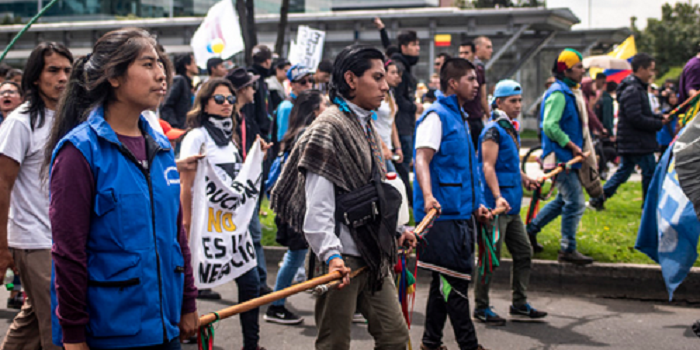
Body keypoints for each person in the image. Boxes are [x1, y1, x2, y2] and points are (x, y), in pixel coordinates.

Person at [45, 28, 198, 349]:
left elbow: (176, 235)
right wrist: (72, 336)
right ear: (113, 77)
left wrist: (188, 303)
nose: (161, 75)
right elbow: (68, 254)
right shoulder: (80, 152)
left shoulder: (161, 148)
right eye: (147, 64)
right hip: (111, 331)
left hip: (166, 325)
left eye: (160, 64)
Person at [271, 45, 415, 350]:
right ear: (351, 79)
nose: (385, 86)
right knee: (333, 344)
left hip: (373, 253)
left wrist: (398, 231)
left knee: (395, 338)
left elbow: (373, 191)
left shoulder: (365, 124)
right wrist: (332, 256)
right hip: (340, 261)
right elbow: (319, 204)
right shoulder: (328, 128)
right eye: (376, 78)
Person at [179, 77, 271, 350]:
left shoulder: (229, 139)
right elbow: (186, 182)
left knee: (251, 284)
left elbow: (235, 181)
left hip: (230, 229)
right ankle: (183, 332)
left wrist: (257, 159)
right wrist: (186, 221)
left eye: (230, 99)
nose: (226, 104)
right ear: (205, 102)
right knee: (189, 286)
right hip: (203, 227)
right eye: (219, 99)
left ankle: (251, 345)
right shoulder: (196, 136)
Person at [413, 57, 491, 350]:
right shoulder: (436, 116)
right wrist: (428, 195)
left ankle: (431, 342)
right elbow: (422, 158)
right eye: (471, 79)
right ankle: (469, 345)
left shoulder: (460, 116)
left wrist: (477, 204)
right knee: (455, 285)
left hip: (461, 212)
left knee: (444, 281)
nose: (476, 85)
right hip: (442, 216)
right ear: (453, 83)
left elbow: (466, 169)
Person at [0, 42, 72, 350]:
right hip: (34, 240)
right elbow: (2, 185)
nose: (63, 78)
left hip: (66, 239)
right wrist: (2, 247)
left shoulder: (75, 117)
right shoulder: (20, 121)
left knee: (32, 321)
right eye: (53, 70)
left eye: (68, 70)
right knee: (59, 329)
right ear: (34, 78)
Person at [474, 79, 547, 326]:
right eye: (513, 101)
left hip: (512, 207)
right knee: (489, 258)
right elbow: (487, 166)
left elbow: (510, 164)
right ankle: (481, 307)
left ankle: (519, 303)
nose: (518, 105)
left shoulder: (509, 128)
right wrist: (497, 197)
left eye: (519, 100)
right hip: (496, 209)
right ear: (499, 102)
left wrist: (525, 179)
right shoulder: (492, 130)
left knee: (524, 253)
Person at [526, 48, 593, 265]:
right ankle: (567, 249)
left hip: (563, 157)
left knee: (563, 200)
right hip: (560, 158)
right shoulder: (558, 93)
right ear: (566, 70)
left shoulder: (566, 91)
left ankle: (530, 231)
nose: (583, 71)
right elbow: (550, 126)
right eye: (579, 67)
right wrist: (572, 145)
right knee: (575, 202)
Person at [264, 89, 326, 325]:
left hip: (295, 208)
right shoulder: (306, 135)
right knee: (295, 256)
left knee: (303, 256)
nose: (328, 109)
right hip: (298, 209)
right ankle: (276, 306)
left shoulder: (296, 133)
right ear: (314, 111)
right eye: (324, 104)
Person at [588, 53, 668, 211]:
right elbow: (636, 118)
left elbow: (640, 113)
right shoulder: (633, 89)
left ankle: (598, 199)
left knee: (624, 172)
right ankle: (649, 206)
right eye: (650, 70)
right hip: (636, 141)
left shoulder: (636, 87)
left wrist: (658, 117)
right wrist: (657, 123)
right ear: (640, 69)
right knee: (650, 172)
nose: (652, 74)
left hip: (632, 140)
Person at [227, 67, 273, 295]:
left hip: (250, 183)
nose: (255, 90)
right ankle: (256, 283)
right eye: (251, 85)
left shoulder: (245, 115)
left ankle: (257, 281)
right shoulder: (229, 118)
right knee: (250, 234)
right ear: (242, 90)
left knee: (252, 234)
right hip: (238, 186)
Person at [392, 29, 421, 207]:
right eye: (414, 45)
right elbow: (399, 99)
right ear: (404, 47)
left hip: (406, 125)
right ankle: (408, 202)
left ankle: (407, 201)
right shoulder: (400, 67)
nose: (417, 48)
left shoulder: (405, 65)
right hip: (402, 126)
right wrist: (414, 106)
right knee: (402, 167)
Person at [463, 36, 492, 150]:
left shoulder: (475, 68)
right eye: (488, 47)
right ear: (477, 48)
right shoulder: (478, 68)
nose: (490, 50)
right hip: (472, 118)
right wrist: (490, 117)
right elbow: (482, 96)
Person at [375, 59, 403, 174]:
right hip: (378, 148)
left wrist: (398, 147)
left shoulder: (390, 94)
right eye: (392, 72)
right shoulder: (376, 94)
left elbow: (392, 124)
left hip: (388, 148)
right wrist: (383, 147)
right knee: (396, 184)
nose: (396, 76)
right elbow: (369, 122)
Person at [242, 44, 273, 142]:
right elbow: (251, 111)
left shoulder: (261, 79)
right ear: (268, 61)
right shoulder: (254, 80)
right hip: (257, 134)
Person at [275, 64, 313, 143]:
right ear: (292, 85)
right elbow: (282, 139)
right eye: (303, 82)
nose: (308, 84)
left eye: (310, 80)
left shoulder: (310, 103)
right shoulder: (287, 106)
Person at [161, 52, 198, 129]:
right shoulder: (179, 80)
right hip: (179, 129)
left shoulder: (188, 83)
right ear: (187, 65)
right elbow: (166, 105)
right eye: (194, 63)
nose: (196, 65)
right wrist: (175, 126)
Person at [595, 81, 618, 178]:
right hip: (604, 131)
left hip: (598, 129)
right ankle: (603, 169)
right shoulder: (608, 100)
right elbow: (607, 118)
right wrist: (610, 132)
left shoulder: (599, 98)